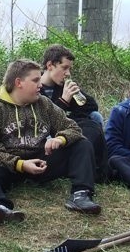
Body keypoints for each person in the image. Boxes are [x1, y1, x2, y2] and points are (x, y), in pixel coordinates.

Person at [0, 59, 102, 225]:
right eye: (35, 80)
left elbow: (73, 128)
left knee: (81, 144)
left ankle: (81, 195)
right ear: (18, 82)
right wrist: (20, 164)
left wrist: (60, 139)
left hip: (42, 162)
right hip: (9, 166)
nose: (40, 84)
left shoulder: (43, 103)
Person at [39, 44, 109, 182]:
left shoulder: (62, 85)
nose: (68, 73)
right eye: (64, 68)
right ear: (50, 65)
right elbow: (43, 119)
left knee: (95, 117)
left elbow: (91, 106)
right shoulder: (36, 87)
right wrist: (64, 101)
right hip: (45, 137)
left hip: (66, 131)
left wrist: (77, 93)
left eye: (69, 68)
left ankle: (96, 168)